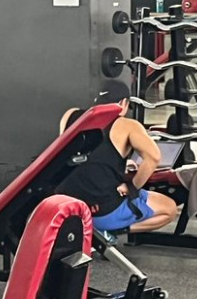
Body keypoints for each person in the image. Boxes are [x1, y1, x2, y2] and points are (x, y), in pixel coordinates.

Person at [58, 82, 178, 234]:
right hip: (102, 214)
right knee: (170, 208)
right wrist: (131, 187)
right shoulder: (127, 125)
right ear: (123, 103)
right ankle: (112, 232)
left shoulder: (70, 115)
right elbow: (154, 157)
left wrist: (116, 163)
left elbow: (78, 155)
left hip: (65, 208)